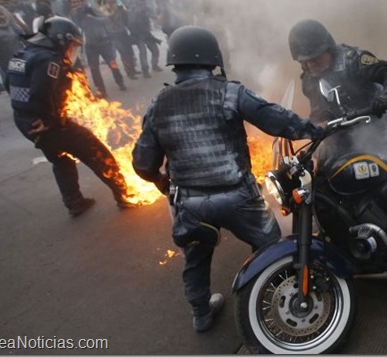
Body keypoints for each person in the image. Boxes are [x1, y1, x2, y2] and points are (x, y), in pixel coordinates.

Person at [132, 26, 324, 332]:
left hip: (190, 203)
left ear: (175, 64)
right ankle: (271, 299)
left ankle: (201, 314)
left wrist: (162, 182)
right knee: (269, 246)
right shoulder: (229, 92)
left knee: (196, 257)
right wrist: (314, 130)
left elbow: (143, 164)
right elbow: (274, 118)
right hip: (239, 197)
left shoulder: (159, 104)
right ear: (213, 60)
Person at [6, 16, 137, 216]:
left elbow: (10, 85)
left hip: (26, 122)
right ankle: (125, 195)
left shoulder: (23, 53)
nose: (71, 49)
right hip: (49, 124)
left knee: (60, 159)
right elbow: (41, 92)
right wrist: (48, 120)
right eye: (71, 44)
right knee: (97, 153)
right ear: (61, 39)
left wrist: (31, 115)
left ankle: (74, 202)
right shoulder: (49, 60)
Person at [288, 19, 387, 155]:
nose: (310, 65)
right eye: (304, 62)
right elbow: (319, 115)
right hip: (341, 140)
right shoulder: (309, 81)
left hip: (375, 132)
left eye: (315, 58)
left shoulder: (352, 61)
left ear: (328, 48)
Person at [68, 0, 127, 98]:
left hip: (104, 42)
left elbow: (106, 19)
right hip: (90, 45)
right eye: (73, 2)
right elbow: (75, 28)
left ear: (82, 1)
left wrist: (92, 18)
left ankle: (120, 81)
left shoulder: (90, 10)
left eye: (77, 1)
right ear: (70, 4)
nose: (76, 4)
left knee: (112, 64)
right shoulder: (72, 14)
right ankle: (101, 90)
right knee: (94, 68)